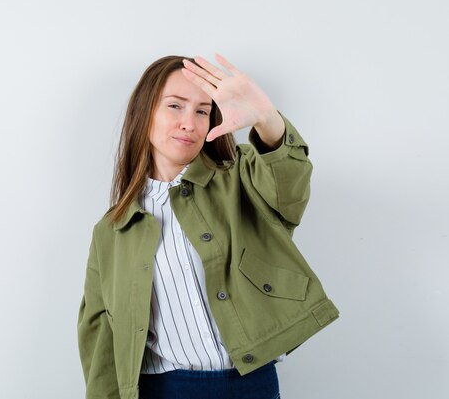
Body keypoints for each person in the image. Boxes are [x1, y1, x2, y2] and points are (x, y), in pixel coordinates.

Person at [77, 54, 339, 399]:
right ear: (144, 114)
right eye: (175, 106)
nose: (190, 122)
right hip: (163, 389)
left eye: (202, 111)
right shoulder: (111, 231)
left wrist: (265, 116)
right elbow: (101, 337)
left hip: (250, 384)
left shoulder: (240, 178)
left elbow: (288, 189)